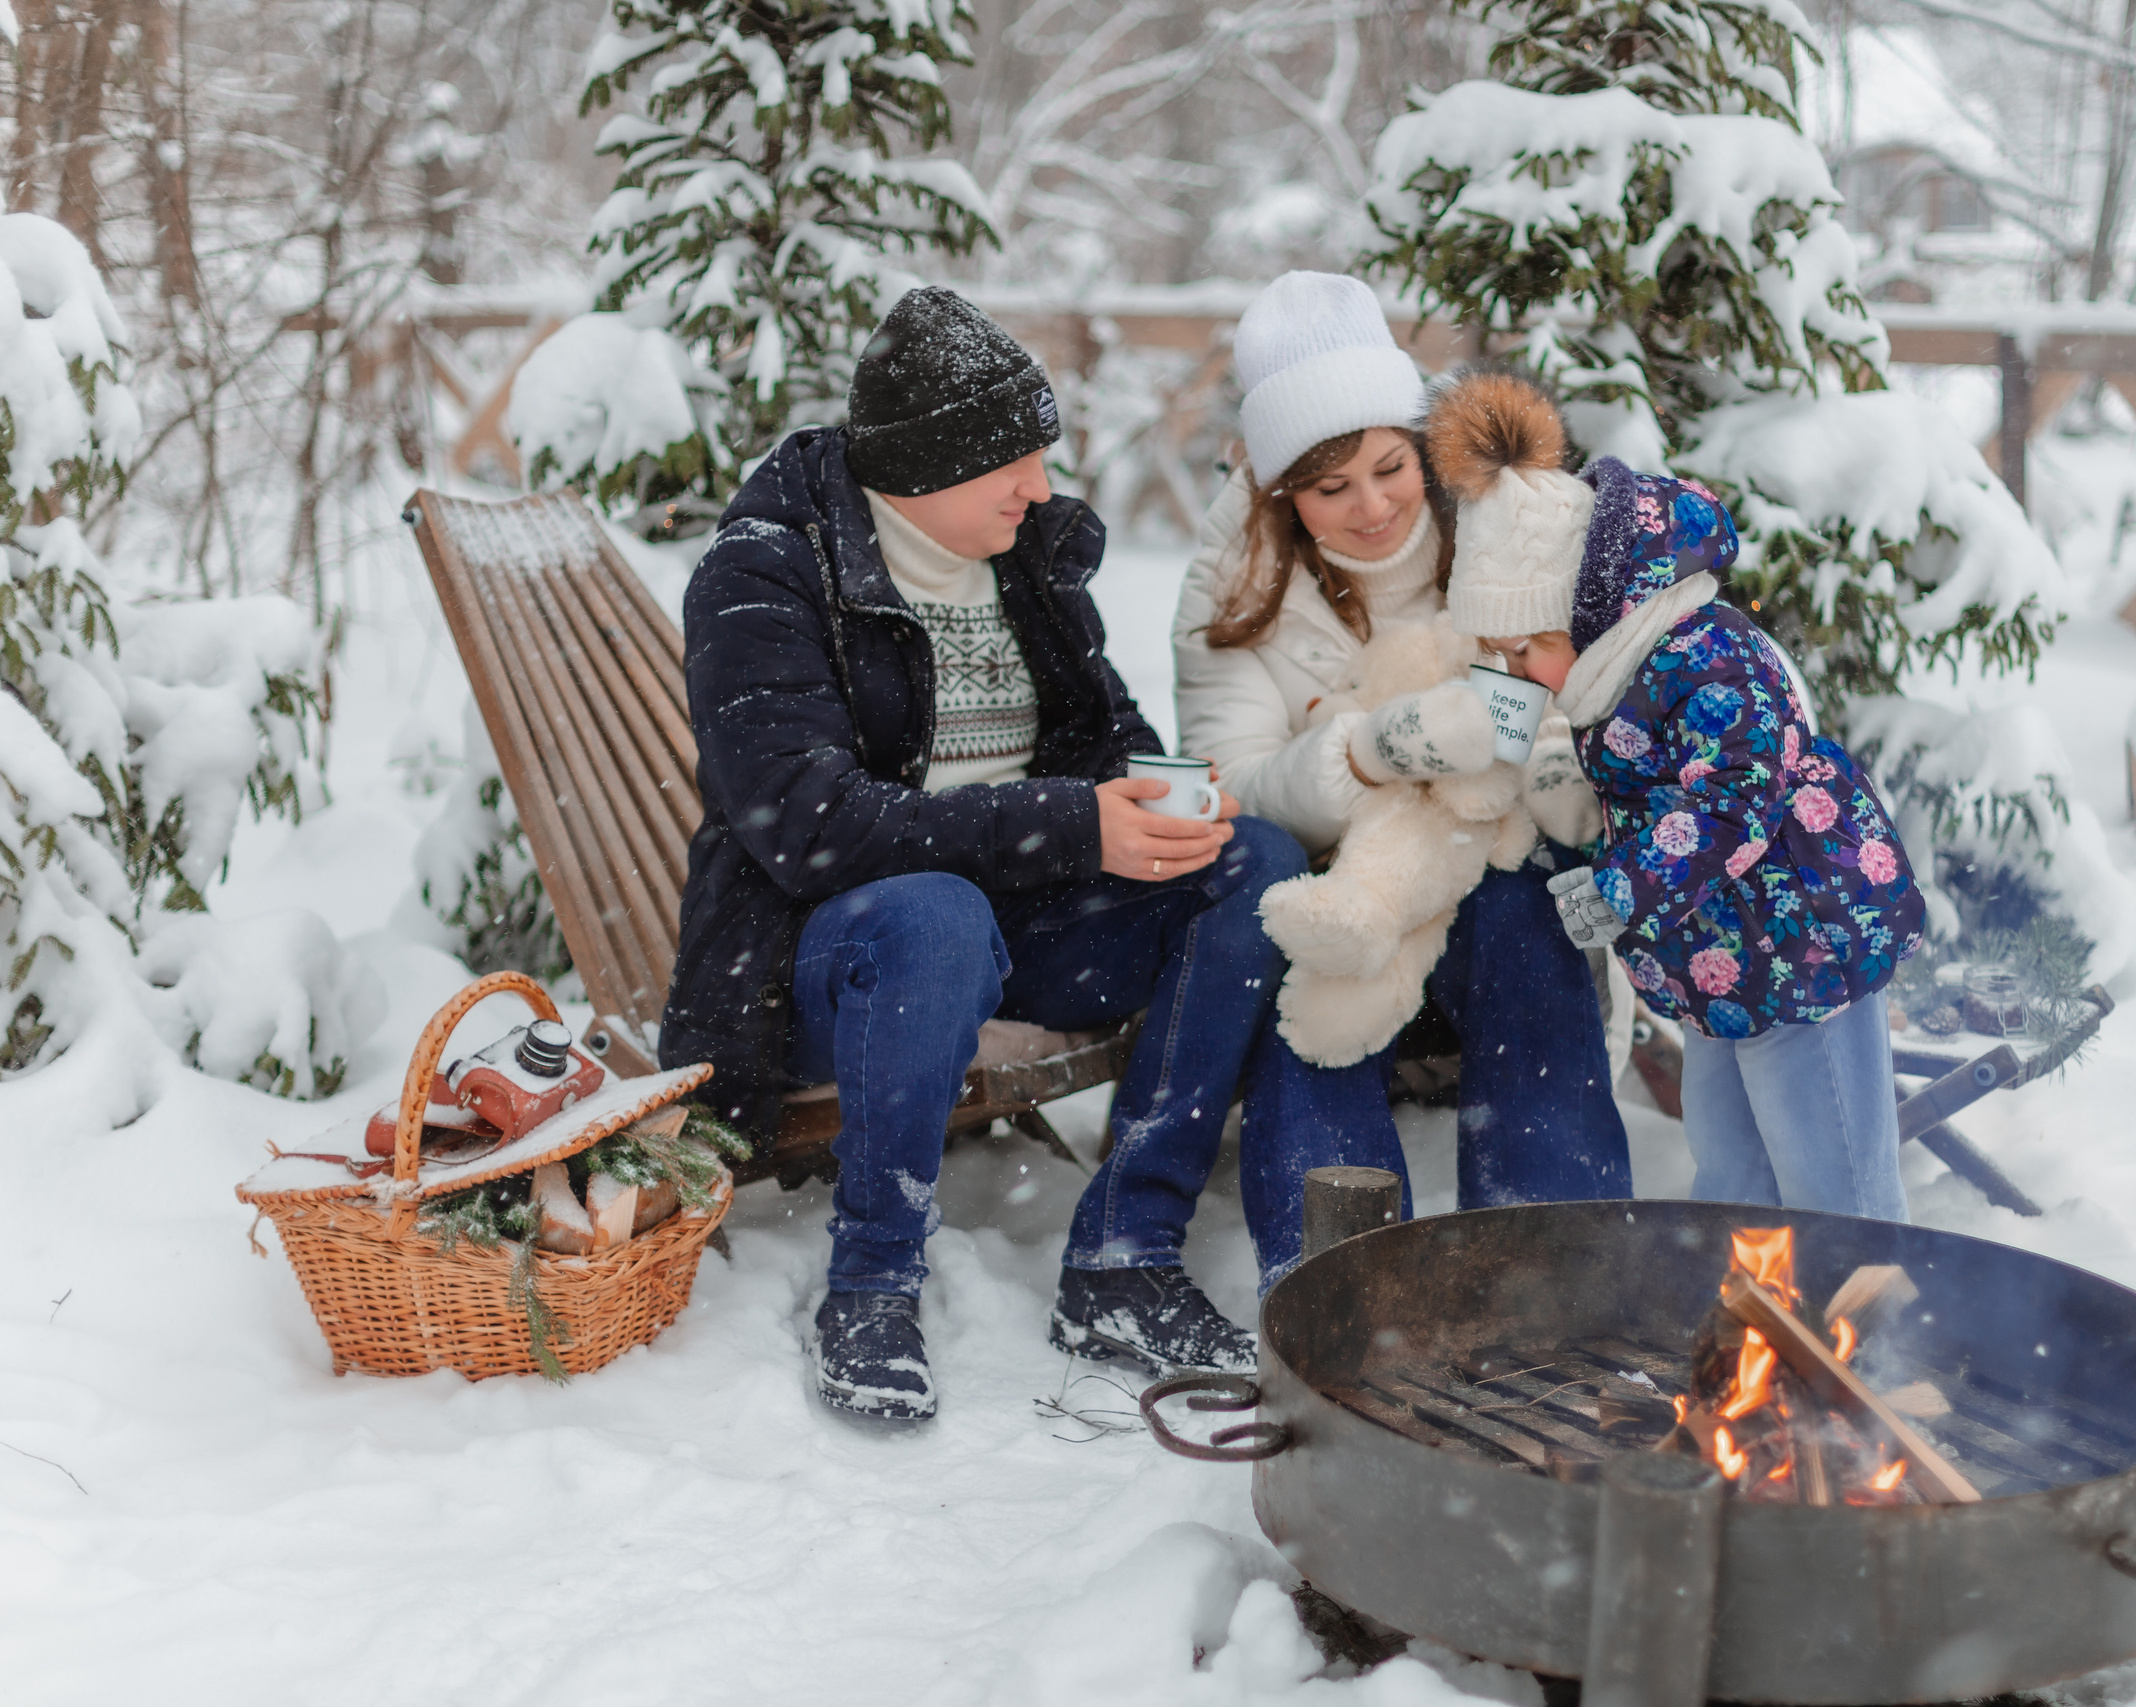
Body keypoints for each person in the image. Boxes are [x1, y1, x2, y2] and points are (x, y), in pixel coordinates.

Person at [662, 286, 1307, 1422]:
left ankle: (1125, 1253)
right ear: (921, 467)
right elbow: (804, 825)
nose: (1040, 489)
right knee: (930, 913)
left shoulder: (1025, 561)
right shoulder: (767, 572)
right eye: (1012, 464)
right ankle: (873, 1279)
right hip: (830, 961)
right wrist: (1071, 820)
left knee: (1251, 863)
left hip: (1023, 926)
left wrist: (1147, 800)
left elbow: (1102, 740)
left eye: (1044, 459)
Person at [1172, 273, 1631, 1288]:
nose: (1372, 507)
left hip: (1495, 837)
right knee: (1313, 940)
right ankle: (1338, 1281)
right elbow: (1232, 778)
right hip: (1342, 860)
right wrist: (1372, 748)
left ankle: (1552, 1258)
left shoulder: (1505, 530)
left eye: (1390, 468)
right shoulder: (1231, 581)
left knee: (1522, 918)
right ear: (1280, 494)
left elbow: (1578, 695)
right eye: (1331, 489)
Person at [1424, 371, 1926, 1222]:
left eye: (1524, 649)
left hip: (1803, 951)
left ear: (1580, 616)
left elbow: (1734, 801)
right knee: (1733, 1171)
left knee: (1833, 1181)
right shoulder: (1606, 672)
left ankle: (1866, 1328)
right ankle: (1749, 1324)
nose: (1517, 673)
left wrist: (1623, 885)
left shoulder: (1706, 656)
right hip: (1720, 966)